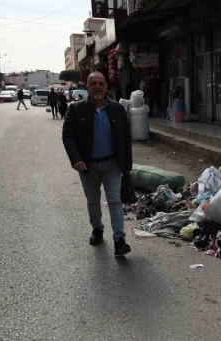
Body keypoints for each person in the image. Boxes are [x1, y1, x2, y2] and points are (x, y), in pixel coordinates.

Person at [62, 72, 133, 256]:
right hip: (88, 166)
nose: (97, 87)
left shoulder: (117, 110)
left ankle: (119, 240)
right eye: (93, 83)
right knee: (93, 201)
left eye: (101, 83)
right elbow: (68, 135)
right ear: (87, 87)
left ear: (106, 87)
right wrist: (76, 160)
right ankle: (97, 229)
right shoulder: (76, 109)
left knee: (115, 201)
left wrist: (127, 166)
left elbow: (126, 138)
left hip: (112, 164)